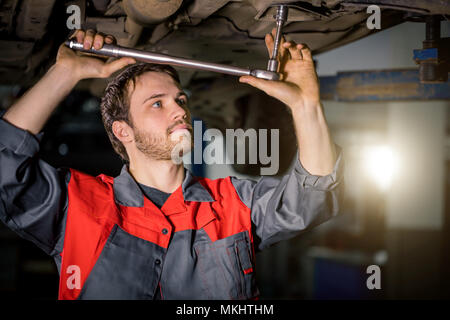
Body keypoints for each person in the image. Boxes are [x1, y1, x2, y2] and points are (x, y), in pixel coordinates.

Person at [0, 29, 344, 300]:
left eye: (180, 100)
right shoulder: (78, 205)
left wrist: (306, 106)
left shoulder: (234, 203)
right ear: (123, 130)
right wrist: (65, 73)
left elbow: (309, 199)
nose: (180, 110)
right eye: (157, 104)